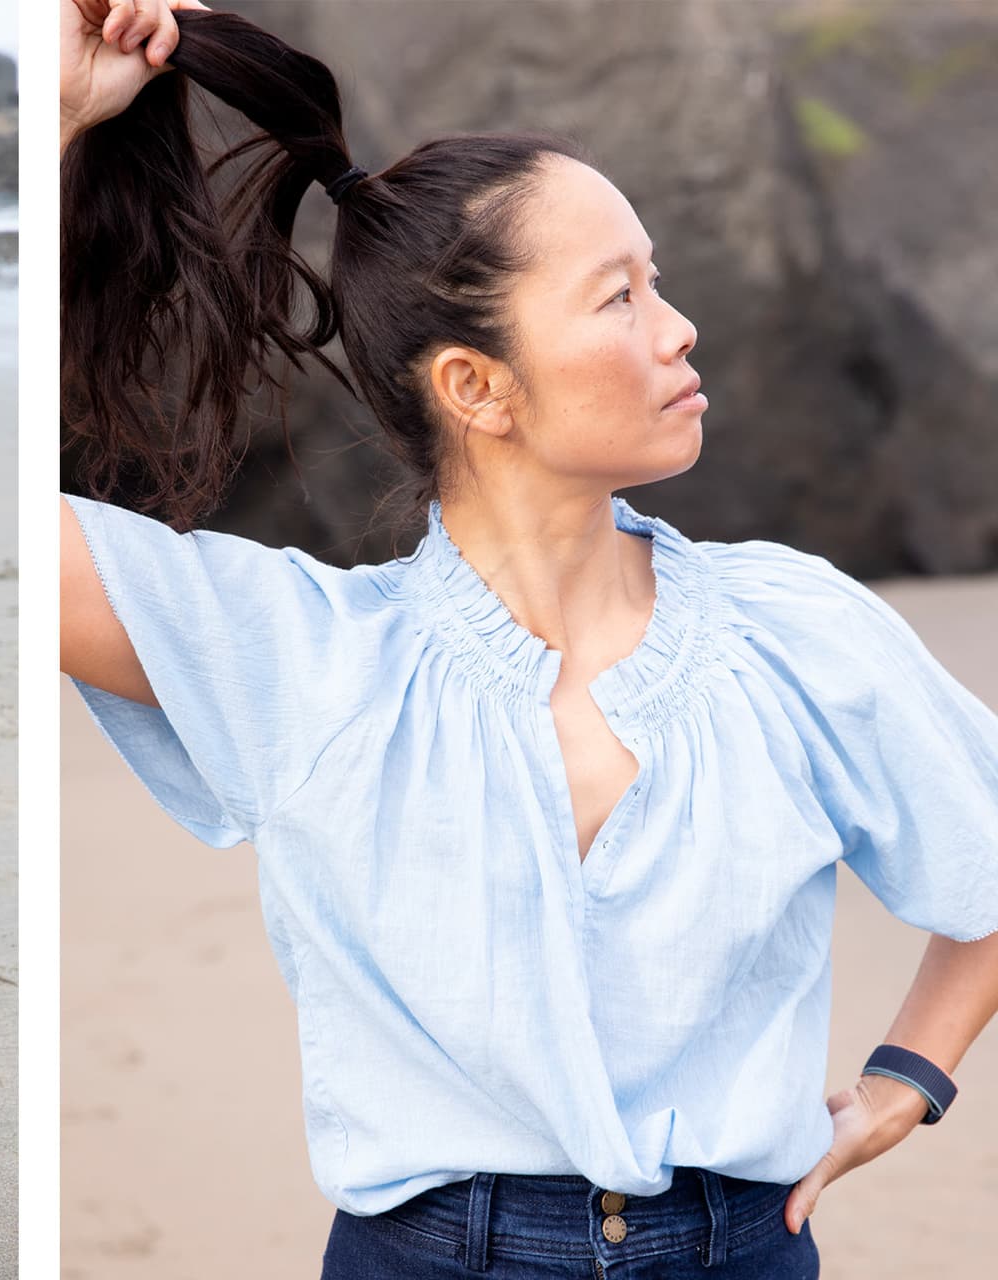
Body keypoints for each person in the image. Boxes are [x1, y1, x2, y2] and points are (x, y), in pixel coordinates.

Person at [58, 4, 998, 1277]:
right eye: (621, 295)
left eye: (657, 281)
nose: (678, 328)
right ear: (476, 386)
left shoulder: (798, 630)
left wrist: (909, 1077)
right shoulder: (310, 659)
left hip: (741, 1250)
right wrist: (60, 114)